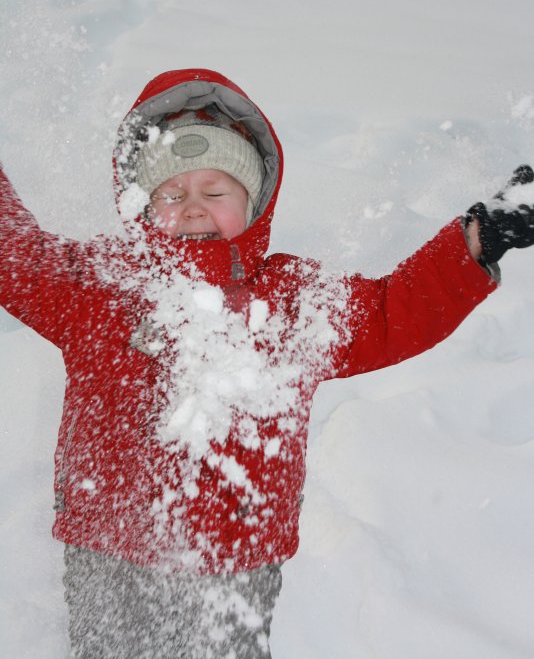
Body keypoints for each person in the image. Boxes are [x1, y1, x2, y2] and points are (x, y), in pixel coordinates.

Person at [1, 67, 533, 659]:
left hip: (236, 555)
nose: (193, 207)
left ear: (253, 200)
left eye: (216, 191)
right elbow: (14, 253)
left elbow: (391, 312)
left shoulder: (292, 301)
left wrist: (476, 242)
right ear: (141, 205)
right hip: (110, 542)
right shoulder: (98, 285)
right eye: (171, 193)